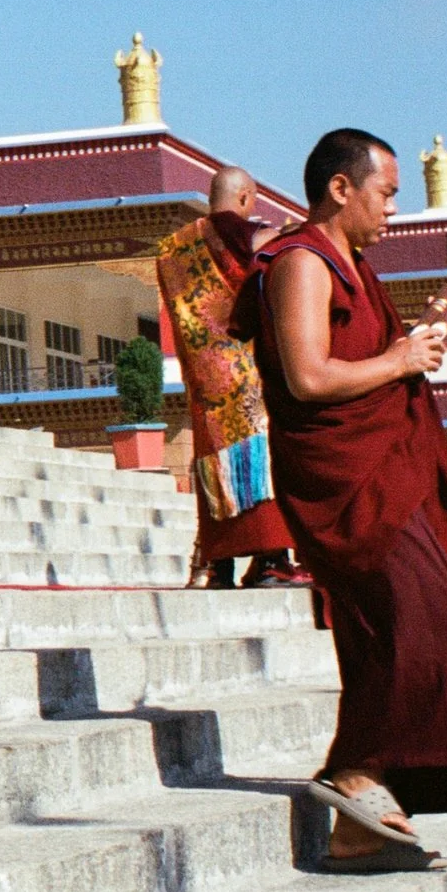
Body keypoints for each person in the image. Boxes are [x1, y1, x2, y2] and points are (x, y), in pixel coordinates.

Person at [252, 128, 447, 871]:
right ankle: (353, 772)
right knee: (419, 624)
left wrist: (413, 347)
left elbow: (364, 363)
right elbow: (309, 377)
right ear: (341, 188)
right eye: (384, 193)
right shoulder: (302, 263)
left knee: (398, 631)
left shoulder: (353, 266)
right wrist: (400, 357)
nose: (391, 212)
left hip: (381, 471)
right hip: (339, 482)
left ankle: (358, 820)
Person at [157, 166, 299, 588]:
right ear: (245, 198)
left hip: (204, 383)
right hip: (248, 373)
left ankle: (217, 565)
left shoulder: (171, 249)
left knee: (212, 466)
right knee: (259, 461)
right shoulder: (252, 235)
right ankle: (271, 558)